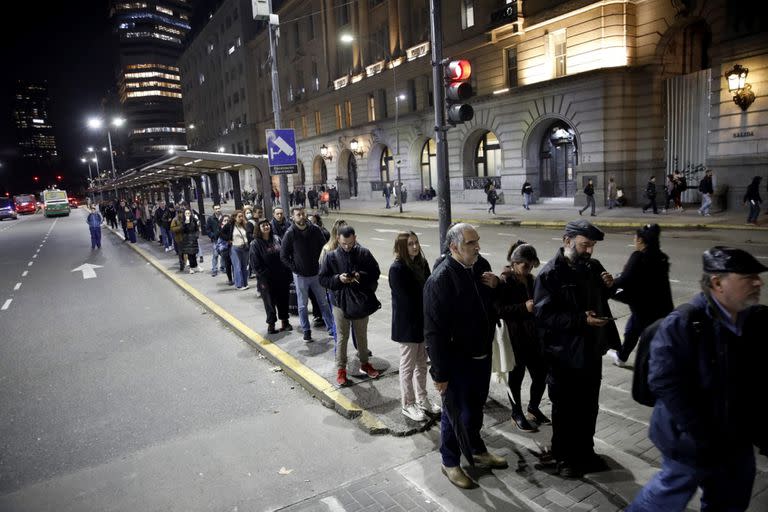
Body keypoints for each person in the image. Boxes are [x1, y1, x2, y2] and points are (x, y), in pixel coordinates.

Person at [627, 247, 768, 512]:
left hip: (735, 439)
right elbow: (664, 382)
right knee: (664, 499)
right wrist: (702, 435)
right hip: (691, 440)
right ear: (717, 283)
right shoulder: (684, 322)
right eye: (748, 277)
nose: (758, 282)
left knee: (730, 500)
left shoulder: (754, 321)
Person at [533, 220, 620, 478]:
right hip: (563, 357)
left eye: (592, 246)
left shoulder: (592, 267)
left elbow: (607, 295)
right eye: (585, 245)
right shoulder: (550, 274)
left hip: (591, 352)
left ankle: (586, 451)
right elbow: (543, 316)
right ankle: (563, 457)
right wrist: (581, 320)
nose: (590, 251)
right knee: (565, 410)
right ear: (567, 241)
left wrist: (610, 285)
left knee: (588, 406)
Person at [424, 223, 507, 489]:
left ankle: (476, 449)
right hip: (457, 361)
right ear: (454, 247)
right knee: (454, 414)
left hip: (481, 354)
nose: (477, 247)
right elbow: (434, 332)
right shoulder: (441, 280)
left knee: (475, 408)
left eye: (477, 241)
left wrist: (498, 284)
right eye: (471, 243)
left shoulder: (480, 265)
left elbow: (491, 302)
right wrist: (440, 374)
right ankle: (450, 462)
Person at [495, 241, 548, 433]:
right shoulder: (506, 281)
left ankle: (533, 408)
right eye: (525, 264)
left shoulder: (532, 280)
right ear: (515, 263)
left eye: (531, 264)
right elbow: (499, 310)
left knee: (541, 375)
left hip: (534, 336)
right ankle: (516, 413)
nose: (528, 268)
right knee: (516, 377)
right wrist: (523, 308)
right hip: (516, 338)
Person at [319, 225, 381, 386]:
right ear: (338, 239)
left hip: (360, 301)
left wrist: (360, 275)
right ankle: (341, 370)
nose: (347, 247)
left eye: (350, 243)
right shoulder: (331, 256)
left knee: (361, 334)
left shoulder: (364, 253)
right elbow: (323, 279)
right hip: (340, 302)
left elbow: (375, 272)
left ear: (355, 238)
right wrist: (338, 279)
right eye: (344, 243)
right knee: (342, 336)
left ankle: (365, 363)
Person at [389, 231, 441, 422]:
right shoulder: (397, 268)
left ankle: (422, 399)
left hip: (422, 323)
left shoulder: (422, 263)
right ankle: (407, 404)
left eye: (416, 243)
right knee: (407, 367)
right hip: (407, 326)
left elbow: (429, 288)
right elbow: (407, 299)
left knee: (422, 364)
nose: (415, 246)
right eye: (410, 244)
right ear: (402, 247)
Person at [607, 224, 673, 366]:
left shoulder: (639, 256)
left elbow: (625, 280)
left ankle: (624, 358)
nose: (634, 239)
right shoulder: (662, 257)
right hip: (662, 306)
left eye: (635, 237)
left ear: (641, 240)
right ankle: (622, 357)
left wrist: (610, 285)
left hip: (644, 307)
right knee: (634, 330)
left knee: (637, 332)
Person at [280, 206, 336, 342]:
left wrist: (322, 266)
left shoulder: (315, 230)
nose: (301, 216)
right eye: (298, 214)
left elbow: (324, 249)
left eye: (303, 214)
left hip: (317, 274)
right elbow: (283, 256)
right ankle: (306, 331)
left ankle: (331, 328)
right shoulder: (290, 233)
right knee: (302, 305)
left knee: (323, 302)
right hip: (300, 276)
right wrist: (295, 268)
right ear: (293, 217)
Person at [250, 219, 293, 334]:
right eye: (263, 225)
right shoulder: (255, 244)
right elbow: (255, 264)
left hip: (281, 277)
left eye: (267, 225)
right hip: (266, 279)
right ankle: (271, 324)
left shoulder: (276, 239)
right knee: (269, 302)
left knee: (283, 299)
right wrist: (265, 275)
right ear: (259, 229)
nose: (266, 227)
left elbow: (284, 255)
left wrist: (287, 272)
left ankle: (285, 322)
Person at [229, 210, 250, 290]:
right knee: (237, 267)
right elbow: (222, 234)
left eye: (242, 216)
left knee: (244, 267)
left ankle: (245, 283)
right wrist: (228, 240)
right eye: (239, 216)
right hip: (235, 248)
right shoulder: (231, 226)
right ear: (234, 217)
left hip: (244, 248)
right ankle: (239, 285)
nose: (241, 218)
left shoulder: (244, 225)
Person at [181, 208, 201, 274]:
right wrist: (186, 223)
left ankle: (196, 266)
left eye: (188, 213)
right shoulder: (183, 221)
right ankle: (191, 268)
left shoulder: (194, 220)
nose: (187, 214)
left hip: (193, 239)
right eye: (186, 213)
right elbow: (182, 230)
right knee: (190, 254)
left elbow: (197, 229)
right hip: (187, 240)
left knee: (194, 254)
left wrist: (196, 235)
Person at [217, 214, 234, 285]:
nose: (226, 221)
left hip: (231, 247)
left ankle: (235, 278)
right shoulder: (220, 228)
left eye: (227, 220)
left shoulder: (231, 226)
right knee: (227, 264)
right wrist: (228, 239)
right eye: (225, 220)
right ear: (222, 222)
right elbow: (220, 236)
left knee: (234, 263)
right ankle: (230, 279)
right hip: (224, 248)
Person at [206, 205, 223, 276]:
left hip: (223, 238)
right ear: (213, 210)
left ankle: (223, 267)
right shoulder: (210, 219)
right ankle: (214, 269)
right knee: (215, 254)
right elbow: (208, 229)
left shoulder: (223, 217)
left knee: (223, 254)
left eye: (218, 208)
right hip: (215, 239)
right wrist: (212, 236)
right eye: (216, 209)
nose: (218, 210)